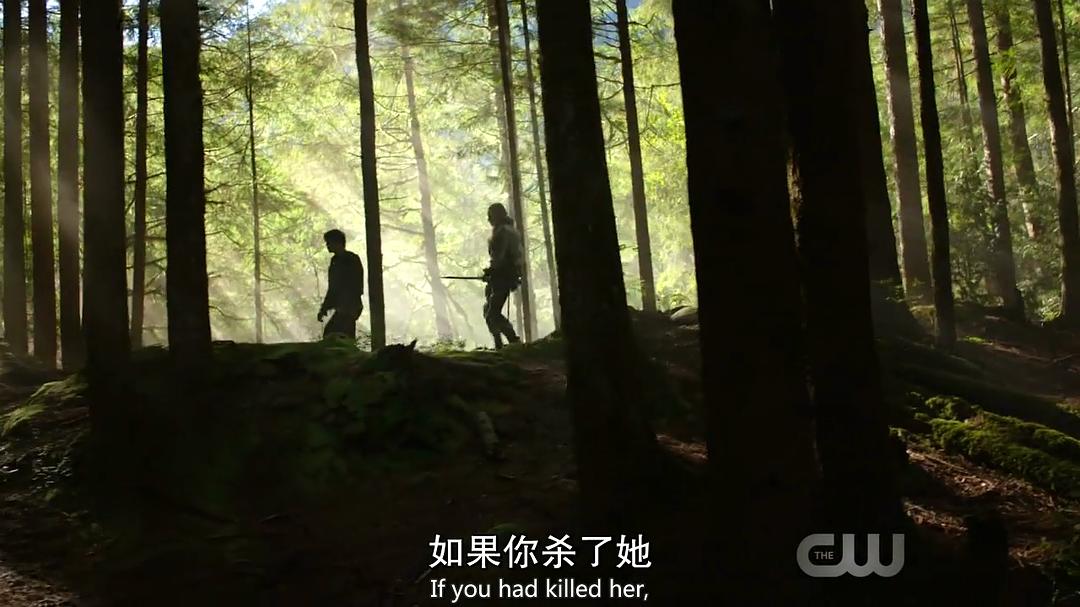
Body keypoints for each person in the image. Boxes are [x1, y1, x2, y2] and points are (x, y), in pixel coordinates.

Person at [483, 203, 522, 349]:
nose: (488, 219)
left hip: (503, 277)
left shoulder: (503, 232)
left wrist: (492, 271)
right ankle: (502, 343)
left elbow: (500, 257)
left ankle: (511, 342)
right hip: (502, 276)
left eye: (490, 215)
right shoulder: (507, 230)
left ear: (498, 215)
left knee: (491, 313)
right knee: (488, 310)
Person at [318, 229, 365, 340]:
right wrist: (324, 308)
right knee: (336, 335)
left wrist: (348, 306)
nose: (327, 245)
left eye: (329, 242)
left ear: (337, 243)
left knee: (336, 335)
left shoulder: (352, 259)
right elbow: (332, 288)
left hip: (350, 307)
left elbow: (356, 285)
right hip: (343, 307)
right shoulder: (335, 261)